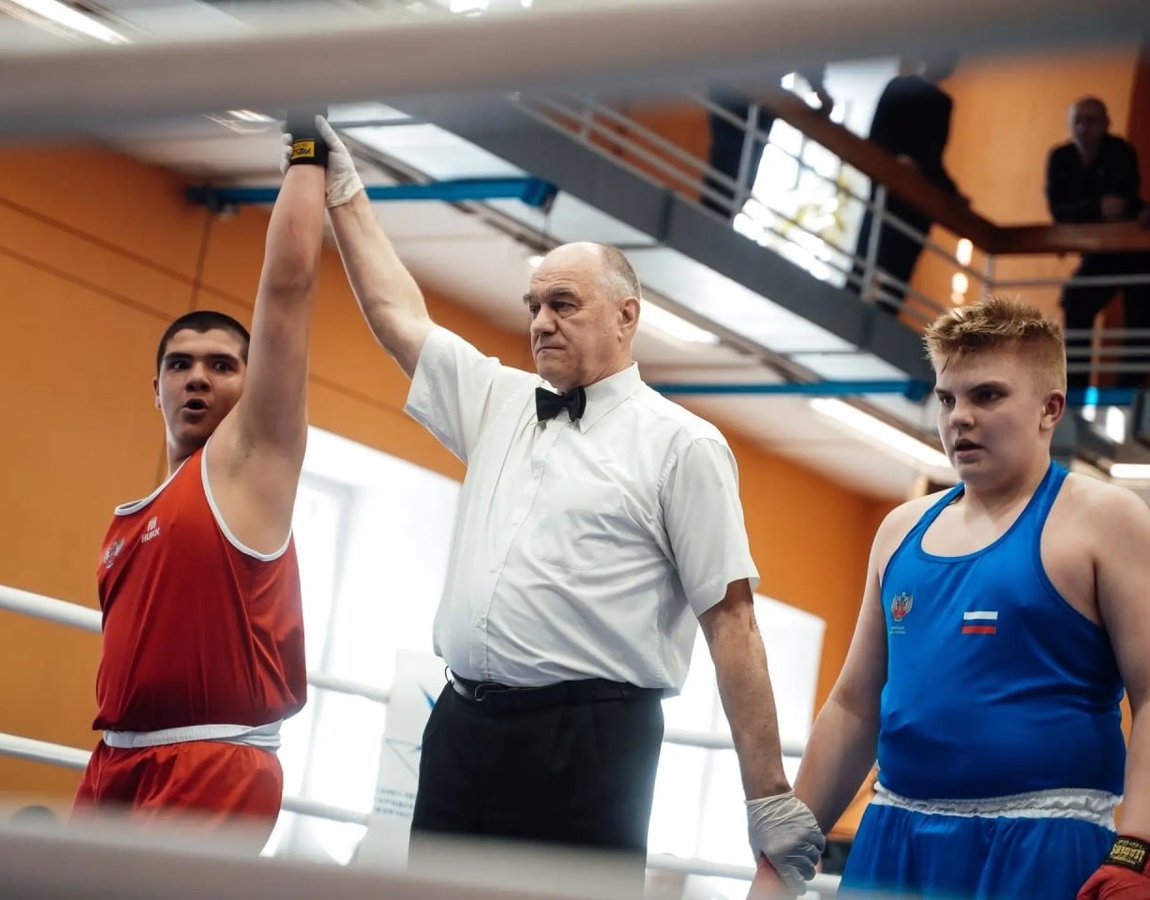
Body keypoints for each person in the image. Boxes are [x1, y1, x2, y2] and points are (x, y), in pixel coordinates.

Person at [287, 117, 824, 894]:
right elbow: (400, 316)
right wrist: (343, 188)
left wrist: (766, 793)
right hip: (461, 726)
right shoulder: (499, 400)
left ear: (626, 316)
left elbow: (732, 620)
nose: (540, 322)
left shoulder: (683, 445)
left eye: (564, 304)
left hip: (590, 743)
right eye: (534, 304)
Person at [748, 296, 1148, 899]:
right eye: (946, 398)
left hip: (1041, 845)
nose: (959, 417)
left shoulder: (1105, 519)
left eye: (986, 396)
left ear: (1050, 408)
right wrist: (783, 857)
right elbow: (855, 706)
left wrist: (1137, 847)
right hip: (895, 838)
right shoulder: (899, 530)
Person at [71, 113, 331, 851]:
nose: (197, 378)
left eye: (222, 365)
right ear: (154, 387)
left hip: (212, 762)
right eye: (180, 364)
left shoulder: (251, 463)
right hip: (115, 760)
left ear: (254, 387)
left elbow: (288, 290)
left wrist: (306, 148)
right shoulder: (127, 522)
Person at [1046, 96, 1150, 390]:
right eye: (1077, 121)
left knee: (1140, 312)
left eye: (1091, 120)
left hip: (1133, 251)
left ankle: (1128, 388)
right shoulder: (1061, 158)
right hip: (1100, 252)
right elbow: (1059, 210)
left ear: (1106, 124)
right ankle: (1076, 386)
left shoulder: (1120, 151)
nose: (1083, 127)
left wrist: (1089, 211)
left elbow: (1120, 204)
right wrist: (1095, 208)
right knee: (1075, 299)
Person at [850, 56, 962, 314]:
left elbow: (933, 159)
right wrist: (897, 161)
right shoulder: (901, 88)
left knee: (895, 275)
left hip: (916, 203)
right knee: (868, 259)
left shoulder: (943, 102)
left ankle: (879, 314)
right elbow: (876, 140)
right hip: (890, 192)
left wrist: (952, 192)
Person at [702, 68, 834, 219]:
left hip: (754, 89)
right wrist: (819, 88)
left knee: (736, 166)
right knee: (732, 164)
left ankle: (716, 216)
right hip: (742, 84)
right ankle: (714, 216)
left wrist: (819, 87)